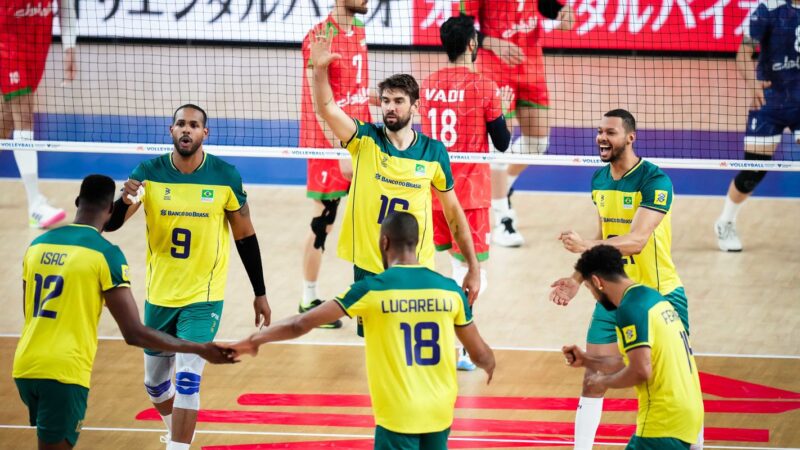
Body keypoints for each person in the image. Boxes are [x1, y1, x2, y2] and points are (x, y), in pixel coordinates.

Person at [227, 211, 496, 450]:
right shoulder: (449, 289)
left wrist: (255, 340)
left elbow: (302, 323)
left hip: (397, 416)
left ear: (384, 242)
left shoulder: (372, 289)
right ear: (416, 244)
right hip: (439, 413)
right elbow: (479, 354)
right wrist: (489, 364)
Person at [12, 174, 235, 450]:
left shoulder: (36, 247)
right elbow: (133, 333)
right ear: (110, 211)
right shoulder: (105, 254)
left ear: (78, 202)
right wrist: (195, 348)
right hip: (64, 372)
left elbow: (28, 311)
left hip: (24, 366)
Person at [103, 104, 272, 450]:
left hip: (203, 298)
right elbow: (113, 224)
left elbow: (245, 235)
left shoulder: (225, 175)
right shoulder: (148, 171)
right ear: (171, 130)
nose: (186, 130)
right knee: (155, 385)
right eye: (180, 123)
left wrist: (260, 292)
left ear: (204, 134)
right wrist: (123, 200)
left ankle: (177, 446)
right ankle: (176, 430)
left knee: (189, 378)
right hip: (160, 296)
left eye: (194, 125)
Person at [549, 109, 693, 450]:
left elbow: (636, 239)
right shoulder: (599, 180)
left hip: (659, 297)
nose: (601, 137)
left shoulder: (654, 181)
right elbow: (605, 237)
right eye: (599, 131)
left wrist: (585, 245)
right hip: (612, 298)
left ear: (630, 137)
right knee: (594, 378)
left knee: (677, 383)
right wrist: (576, 278)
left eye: (610, 132)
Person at [309, 31, 481, 304]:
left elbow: (453, 213)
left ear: (415, 106)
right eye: (386, 101)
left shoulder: (433, 152)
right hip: (370, 264)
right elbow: (327, 108)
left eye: (399, 101)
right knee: (375, 342)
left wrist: (473, 266)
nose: (390, 107)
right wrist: (319, 70)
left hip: (417, 265)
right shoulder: (364, 140)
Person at [419, 15, 511, 370]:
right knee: (473, 273)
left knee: (442, 265)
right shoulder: (485, 87)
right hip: (469, 195)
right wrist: (503, 108)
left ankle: (443, 340)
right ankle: (454, 341)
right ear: (472, 44)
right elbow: (502, 144)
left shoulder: (426, 86)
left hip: (433, 191)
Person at [562, 245, 704, 450]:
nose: (594, 296)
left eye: (589, 289)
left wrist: (603, 381)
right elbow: (639, 360)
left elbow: (640, 371)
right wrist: (588, 360)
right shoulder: (652, 298)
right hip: (688, 418)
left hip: (661, 424)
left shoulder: (630, 309)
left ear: (596, 282)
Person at [460, 0, 574, 247]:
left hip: (531, 64)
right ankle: (503, 220)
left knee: (538, 142)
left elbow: (547, 5)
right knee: (499, 146)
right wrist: (492, 42)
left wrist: (562, 13)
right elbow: (461, 27)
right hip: (494, 66)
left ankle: (502, 186)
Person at [299, 0, 372, 328]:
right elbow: (319, 104)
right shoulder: (319, 37)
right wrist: (341, 151)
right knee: (323, 222)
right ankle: (308, 298)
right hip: (331, 146)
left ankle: (366, 298)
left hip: (361, 140)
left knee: (370, 221)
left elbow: (355, 91)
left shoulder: (358, 30)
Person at [714, 0, 800, 252]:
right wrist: (752, 84)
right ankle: (725, 222)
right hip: (769, 102)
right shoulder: (769, 8)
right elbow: (743, 52)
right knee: (753, 171)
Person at [1, 0, 78, 228]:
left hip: (36, 49)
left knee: (5, 123)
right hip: (7, 47)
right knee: (24, 117)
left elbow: (66, 8)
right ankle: (35, 204)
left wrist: (69, 48)